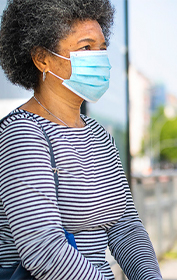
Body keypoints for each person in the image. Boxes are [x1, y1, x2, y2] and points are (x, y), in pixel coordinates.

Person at [0, 0, 162, 279]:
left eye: (101, 48)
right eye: (86, 47)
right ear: (42, 59)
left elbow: (125, 226)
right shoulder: (21, 135)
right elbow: (43, 249)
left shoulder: (99, 135)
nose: (99, 57)